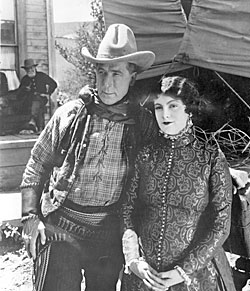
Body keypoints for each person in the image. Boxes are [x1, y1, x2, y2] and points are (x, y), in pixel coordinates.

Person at [20, 23, 157, 291]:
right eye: (101, 71)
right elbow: (36, 165)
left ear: (133, 76)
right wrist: (30, 218)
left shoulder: (144, 125)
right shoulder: (71, 114)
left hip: (108, 235)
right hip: (61, 228)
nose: (107, 83)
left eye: (116, 73)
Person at [121, 76, 236, 291]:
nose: (165, 114)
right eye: (158, 107)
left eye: (173, 106)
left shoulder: (210, 157)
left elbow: (221, 224)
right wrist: (134, 261)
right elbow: (128, 210)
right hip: (145, 279)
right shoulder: (145, 156)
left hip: (197, 279)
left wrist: (182, 271)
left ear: (189, 110)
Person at [17, 58, 57, 132]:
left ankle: (33, 121)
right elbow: (19, 93)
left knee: (37, 101)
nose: (30, 70)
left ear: (35, 67)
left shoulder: (42, 76)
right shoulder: (25, 79)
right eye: (27, 69)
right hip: (29, 100)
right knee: (37, 104)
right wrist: (24, 89)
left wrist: (47, 93)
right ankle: (40, 129)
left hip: (42, 98)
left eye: (31, 68)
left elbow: (53, 84)